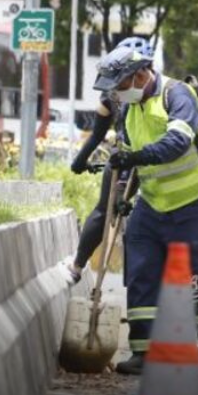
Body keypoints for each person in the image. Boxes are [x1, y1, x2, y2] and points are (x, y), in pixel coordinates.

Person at [92, 43, 198, 376]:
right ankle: (143, 351)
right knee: (141, 274)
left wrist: (135, 158)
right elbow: (131, 155)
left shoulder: (178, 95)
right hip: (152, 205)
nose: (116, 94)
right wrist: (126, 191)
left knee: (194, 281)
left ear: (140, 75)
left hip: (195, 203)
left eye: (120, 85)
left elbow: (176, 143)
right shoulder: (129, 110)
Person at [67, 37, 152, 283]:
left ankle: (77, 266)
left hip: (123, 160)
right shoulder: (156, 89)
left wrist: (79, 162)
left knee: (103, 210)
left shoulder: (110, 94)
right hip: (150, 159)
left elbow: (97, 135)